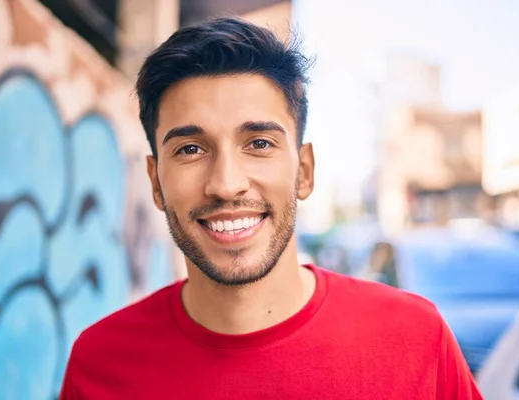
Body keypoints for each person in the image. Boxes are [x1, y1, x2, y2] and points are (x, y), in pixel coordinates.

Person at [60, 17, 483, 399]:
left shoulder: (416, 340)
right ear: (155, 182)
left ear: (304, 172)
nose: (226, 184)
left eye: (259, 144)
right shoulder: (99, 365)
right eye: (190, 148)